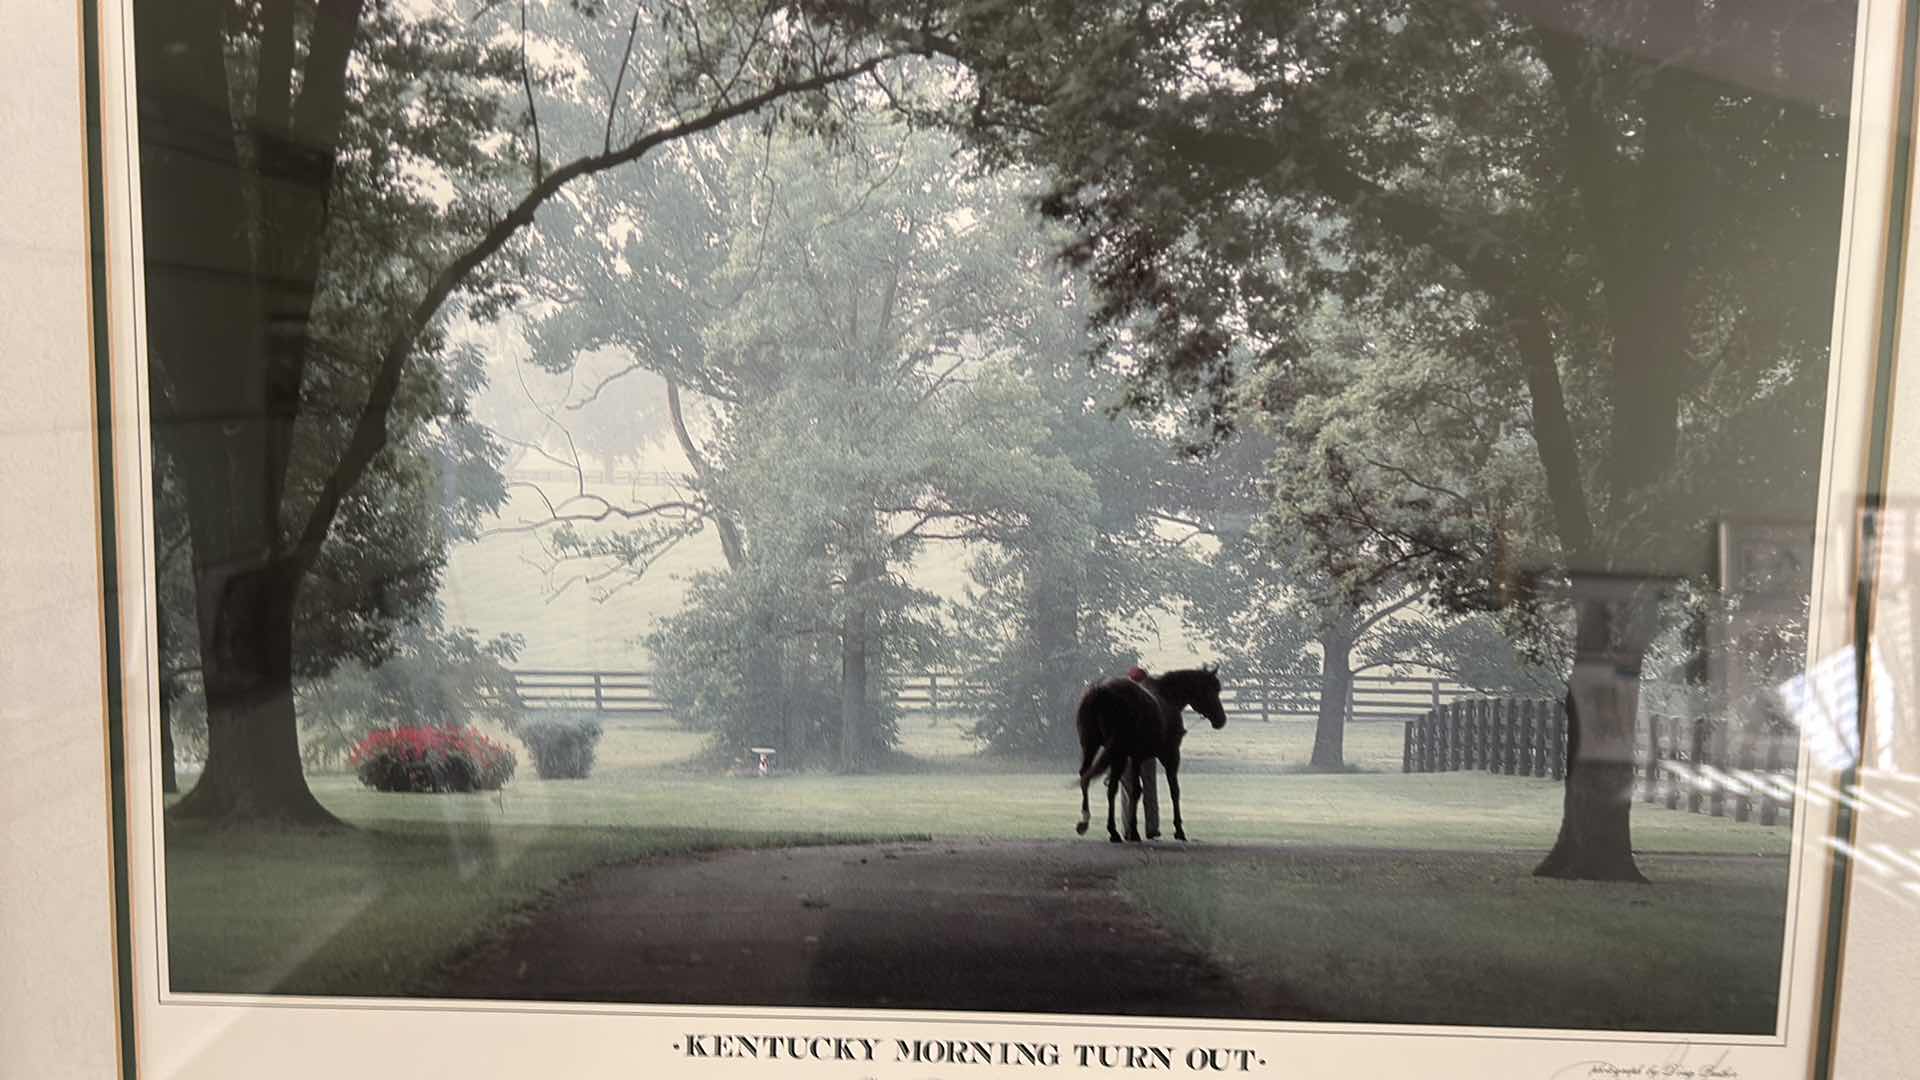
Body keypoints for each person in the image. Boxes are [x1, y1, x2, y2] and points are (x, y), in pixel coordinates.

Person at [1121, 666, 1162, 839]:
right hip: (1145, 752)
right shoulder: (1152, 702)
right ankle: (1151, 828)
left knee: (1128, 792)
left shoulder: (1120, 701)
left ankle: (1130, 830)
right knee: (1149, 789)